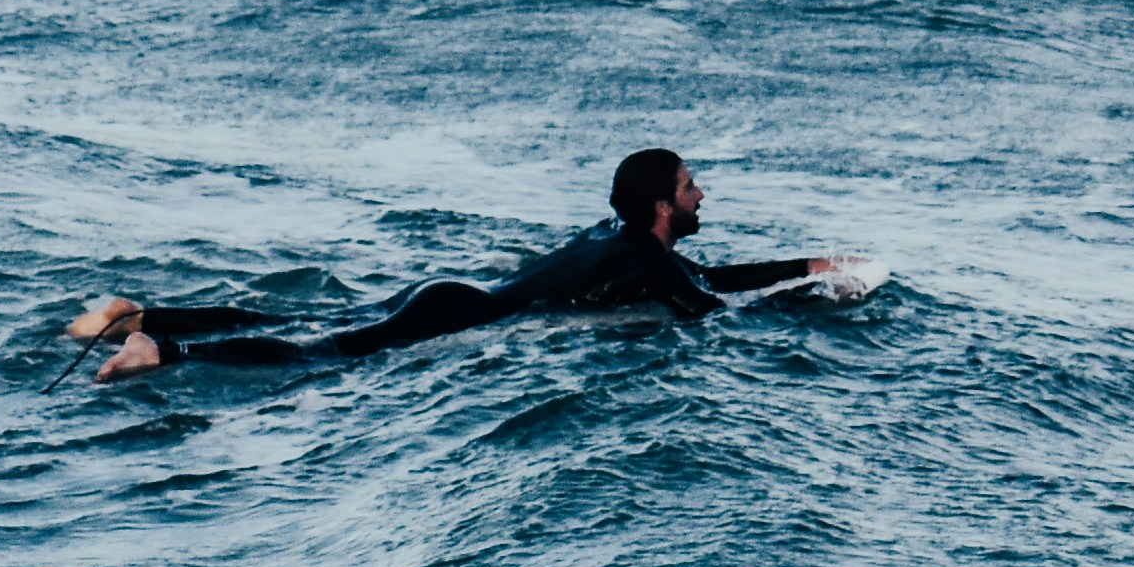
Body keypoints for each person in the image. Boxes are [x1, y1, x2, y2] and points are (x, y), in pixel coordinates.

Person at [65, 150, 874, 380]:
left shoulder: (622, 237)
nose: (704, 196)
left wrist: (807, 261)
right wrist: (816, 299)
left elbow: (708, 279)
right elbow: (713, 311)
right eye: (692, 187)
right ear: (664, 207)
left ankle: (141, 315)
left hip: (450, 298)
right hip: (454, 315)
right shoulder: (650, 261)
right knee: (318, 354)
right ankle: (163, 350)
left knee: (307, 326)